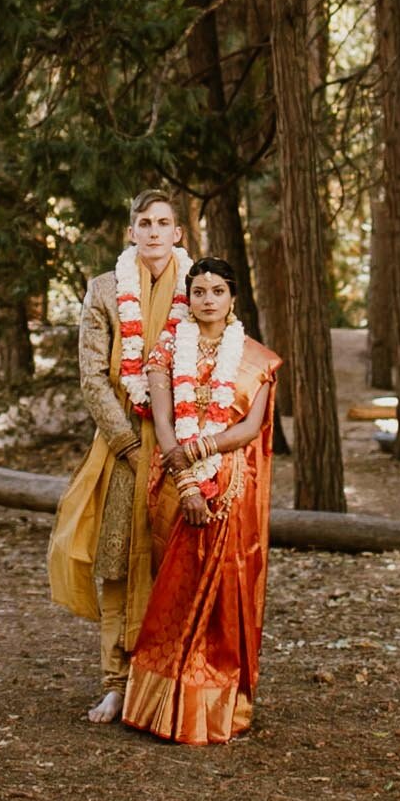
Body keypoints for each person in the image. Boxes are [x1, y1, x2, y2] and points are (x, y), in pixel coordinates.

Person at [122, 256, 280, 745]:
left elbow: (251, 428)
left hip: (234, 487)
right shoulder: (166, 352)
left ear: (233, 297)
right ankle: (162, 708)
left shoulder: (257, 358)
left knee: (227, 593)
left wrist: (205, 449)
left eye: (217, 292)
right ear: (187, 297)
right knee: (176, 592)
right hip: (176, 482)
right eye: (199, 292)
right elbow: (167, 422)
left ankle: (217, 706)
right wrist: (188, 482)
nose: (207, 300)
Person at [47, 189, 190, 723]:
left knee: (170, 562)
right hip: (123, 446)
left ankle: (167, 683)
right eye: (144, 223)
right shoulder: (104, 291)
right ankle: (115, 682)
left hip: (182, 448)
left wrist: (182, 445)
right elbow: (91, 376)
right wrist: (129, 445)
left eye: (163, 223)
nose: (153, 232)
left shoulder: (198, 288)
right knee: (116, 562)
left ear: (178, 234)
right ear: (131, 233)